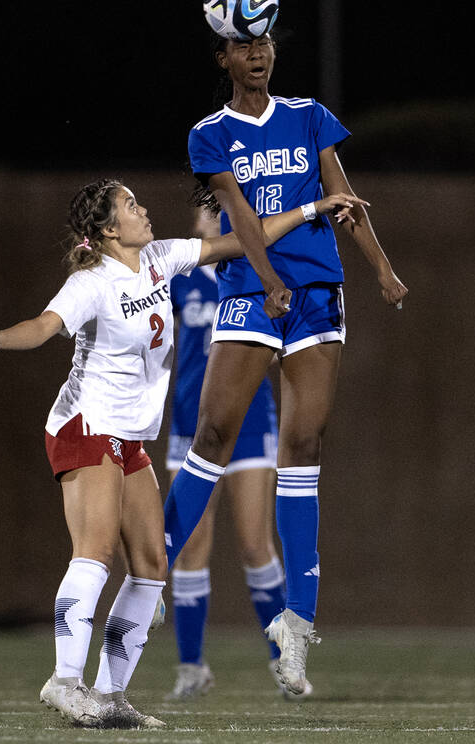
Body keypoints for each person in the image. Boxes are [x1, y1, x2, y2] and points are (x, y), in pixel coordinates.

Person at [0, 178, 359, 729]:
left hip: (131, 438)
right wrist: (0, 336)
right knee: (96, 552)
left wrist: (312, 207)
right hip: (86, 426)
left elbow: (244, 237)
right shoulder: (91, 282)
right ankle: (64, 679)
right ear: (107, 230)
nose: (142, 209)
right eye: (130, 205)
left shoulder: (159, 258)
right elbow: (45, 325)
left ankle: (110, 693)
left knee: (150, 568)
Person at [162, 31, 409, 698]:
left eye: (265, 40)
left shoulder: (307, 115)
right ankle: (149, 572)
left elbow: (346, 201)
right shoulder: (210, 134)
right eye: (244, 45)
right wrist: (268, 279)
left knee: (305, 446)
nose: (259, 53)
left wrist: (383, 272)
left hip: (317, 294)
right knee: (212, 431)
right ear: (223, 58)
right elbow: (238, 218)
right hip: (251, 290)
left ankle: (295, 635)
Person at [164, 206, 300, 701]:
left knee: (255, 546)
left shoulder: (251, 267)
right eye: (208, 209)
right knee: (189, 550)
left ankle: (286, 663)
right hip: (192, 425)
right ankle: (191, 667)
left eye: (223, 210)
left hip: (248, 423)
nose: (215, 215)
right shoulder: (179, 278)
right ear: (198, 223)